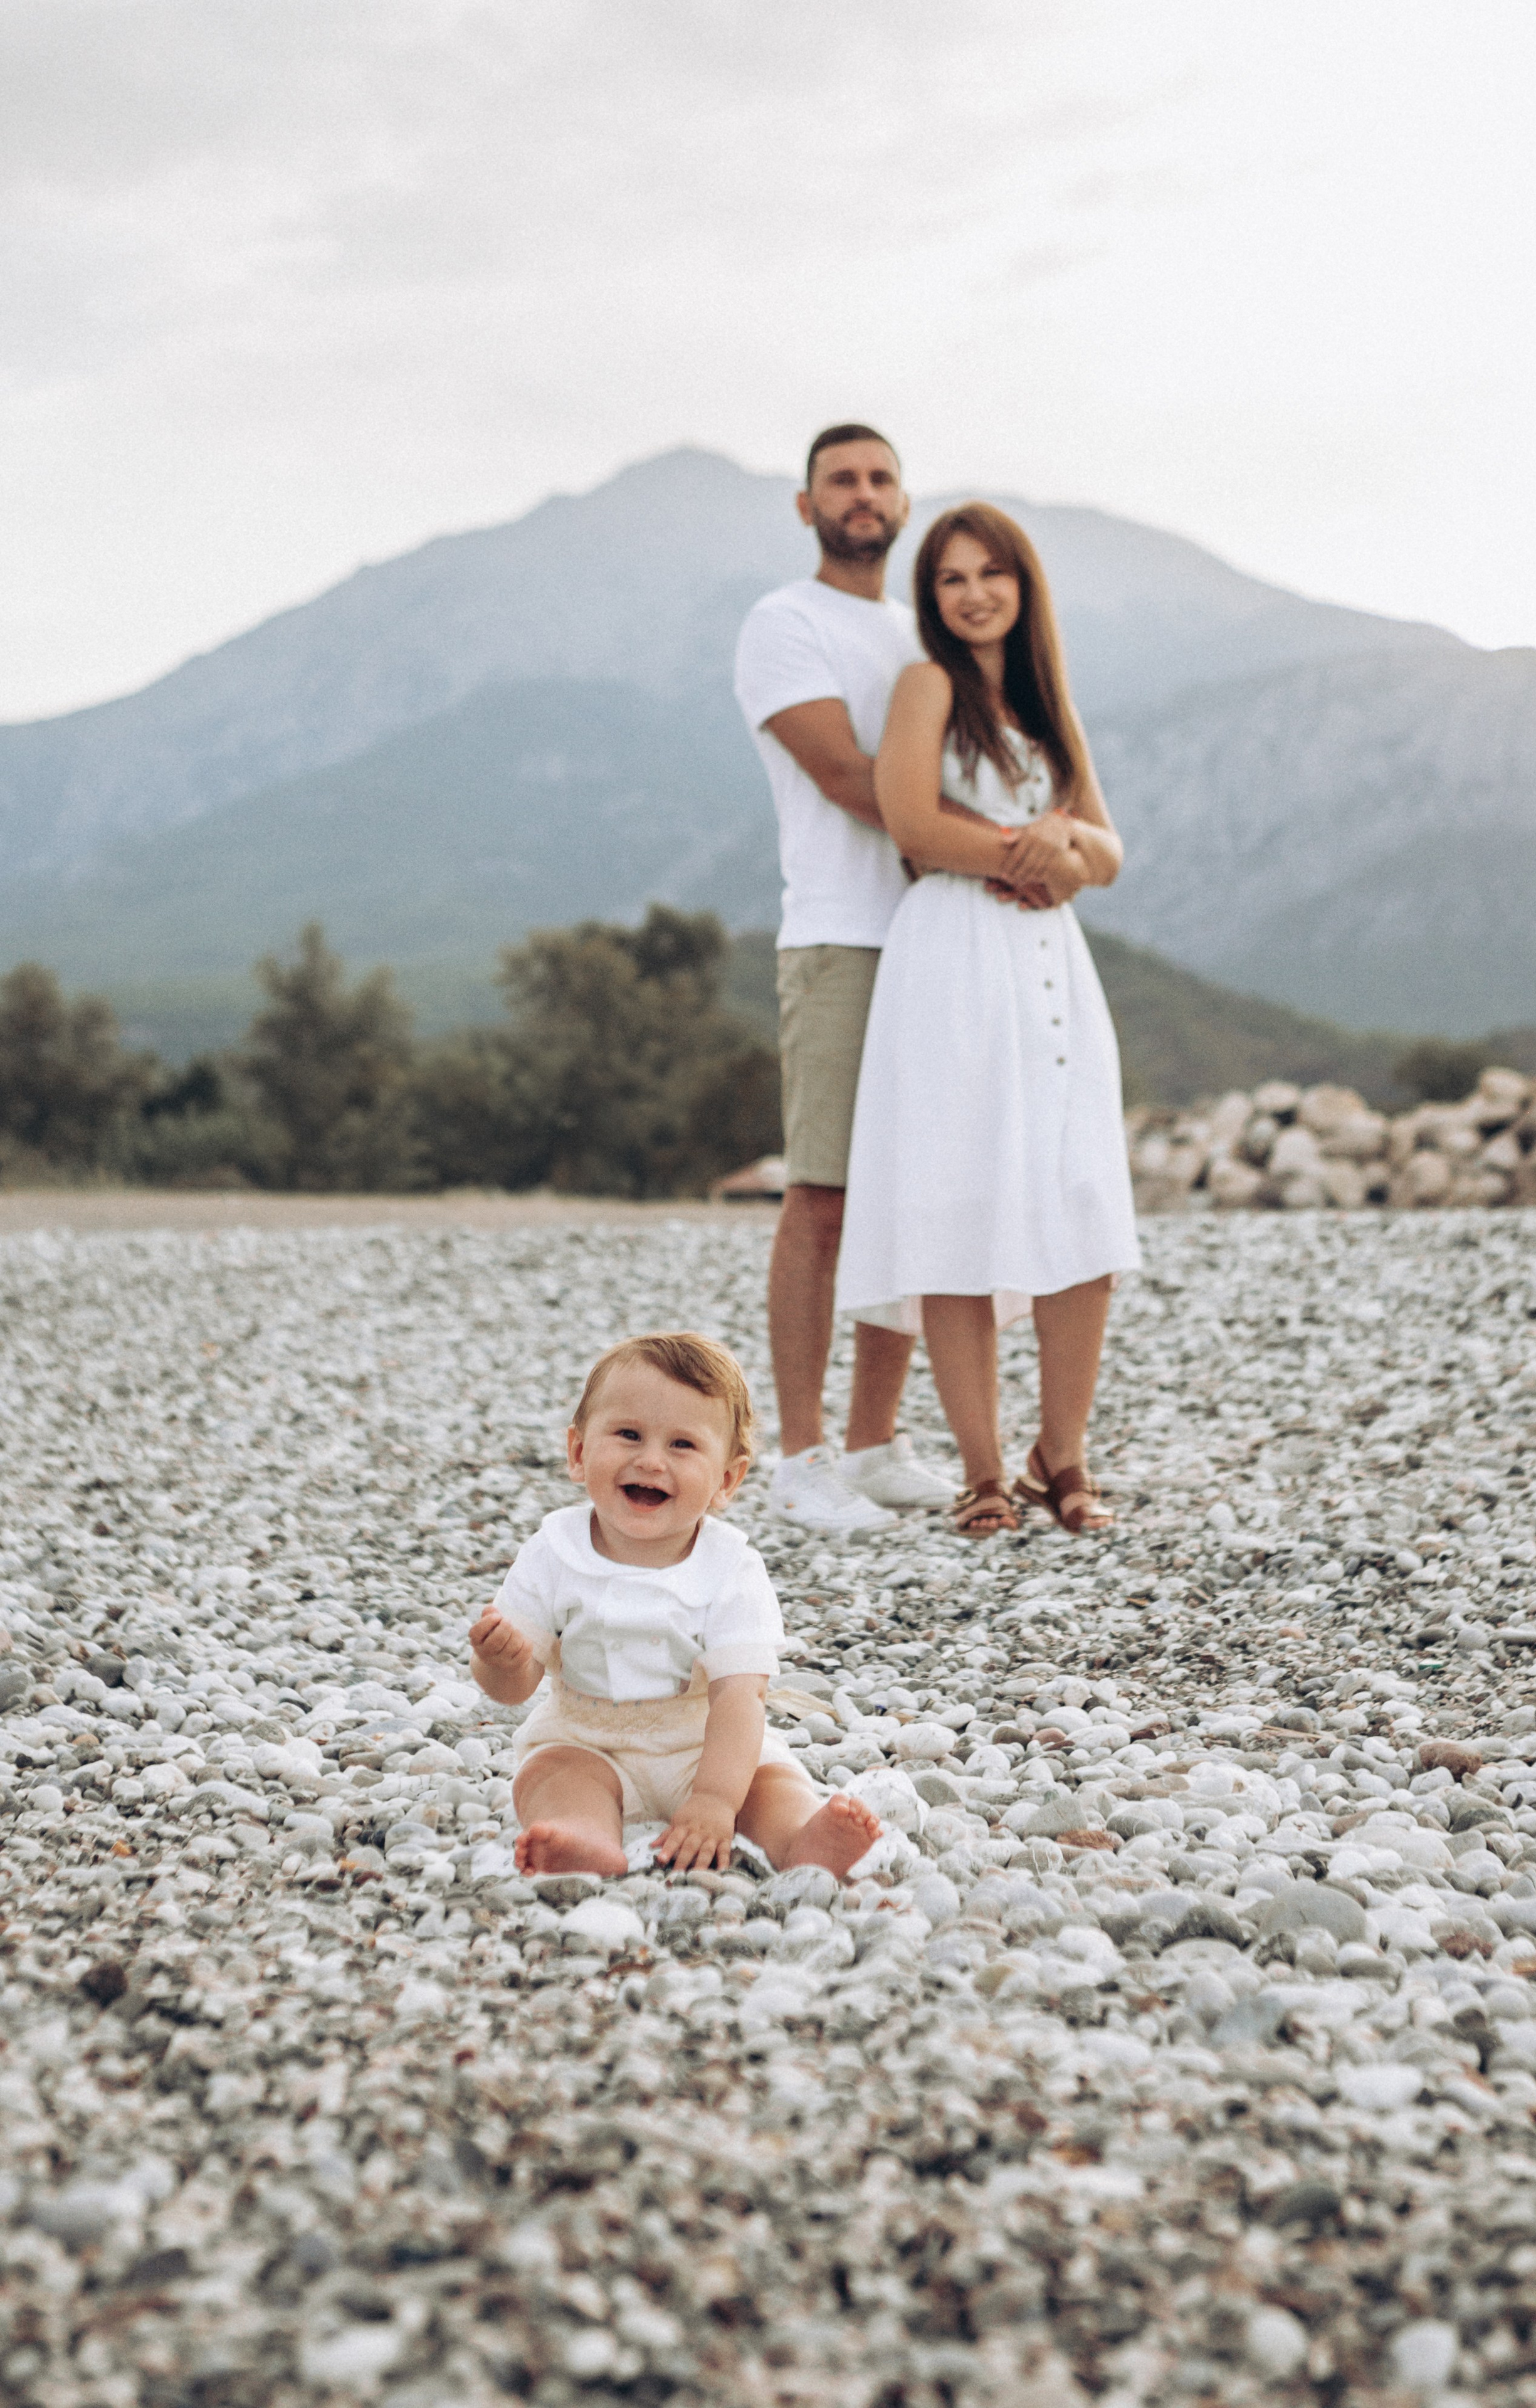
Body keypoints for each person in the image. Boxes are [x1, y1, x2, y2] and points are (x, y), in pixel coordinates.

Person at [834, 502, 1141, 1539]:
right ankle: (983, 1470)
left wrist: (1068, 854)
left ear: (1022, 585)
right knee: (958, 1197)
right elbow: (913, 822)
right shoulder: (927, 686)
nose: (973, 594)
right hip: (954, 955)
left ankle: (1066, 1453)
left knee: (1079, 1194)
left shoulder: (1049, 702)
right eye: (953, 578)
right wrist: (1027, 851)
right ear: (933, 597)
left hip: (1049, 960)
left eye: (991, 574)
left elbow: (1108, 846)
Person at [734, 424, 955, 1534]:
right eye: (842, 480)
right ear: (806, 504)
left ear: (905, 500)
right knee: (821, 1198)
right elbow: (841, 774)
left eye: (879, 478)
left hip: (935, 936)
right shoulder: (785, 624)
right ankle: (801, 1457)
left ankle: (874, 1444)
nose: (863, 496)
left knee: (907, 1198)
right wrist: (987, 843)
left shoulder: (926, 633)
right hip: (838, 938)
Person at [468, 1331, 882, 1879]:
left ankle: (801, 1839)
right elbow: (513, 1690)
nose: (651, 1461)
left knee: (771, 1784)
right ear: (578, 1452)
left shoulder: (730, 1566)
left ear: (727, 1480)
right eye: (629, 1435)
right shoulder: (555, 1550)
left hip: (704, 1745)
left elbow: (741, 1697)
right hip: (586, 1740)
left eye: (682, 1445)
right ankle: (583, 1839)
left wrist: (714, 1799)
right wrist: (500, 1661)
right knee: (551, 1776)